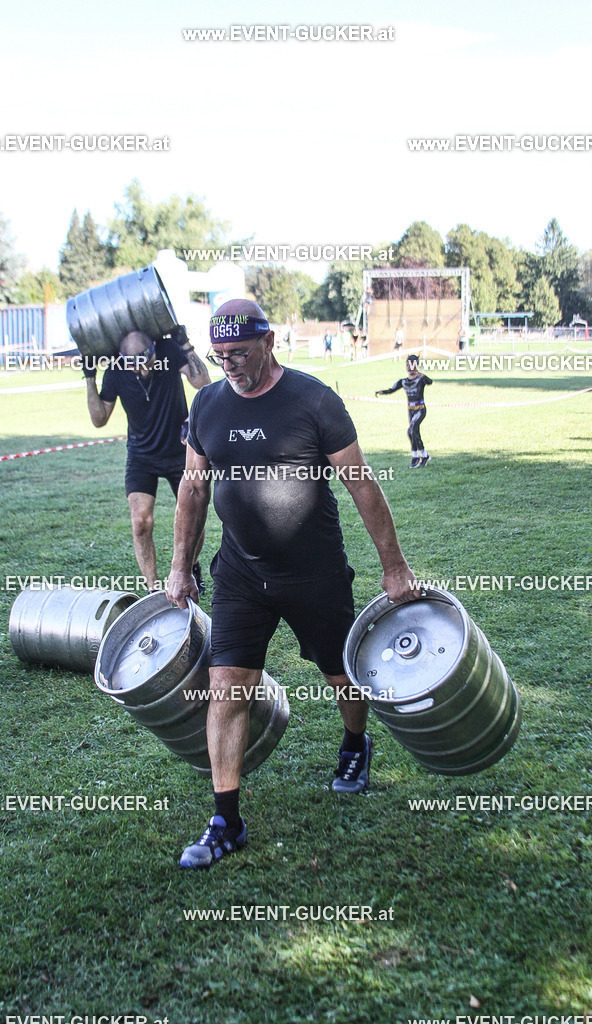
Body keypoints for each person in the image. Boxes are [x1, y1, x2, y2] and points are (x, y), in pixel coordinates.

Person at [166, 299, 420, 869]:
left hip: (315, 573)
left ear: (269, 341)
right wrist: (180, 564)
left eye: (239, 352)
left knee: (343, 675)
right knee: (227, 684)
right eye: (220, 355)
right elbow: (193, 489)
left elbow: (361, 486)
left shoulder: (313, 400)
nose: (229, 364)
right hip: (239, 573)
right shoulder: (206, 404)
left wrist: (394, 565)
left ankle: (354, 744)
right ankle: (226, 820)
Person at [83, 326, 211, 591]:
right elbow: (99, 419)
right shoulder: (116, 371)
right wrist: (89, 378)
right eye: (135, 367)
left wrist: (185, 345)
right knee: (141, 522)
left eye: (146, 364)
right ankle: (153, 590)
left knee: (193, 519)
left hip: (180, 452)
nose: (141, 371)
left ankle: (191, 567)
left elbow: (203, 383)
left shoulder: (168, 351)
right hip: (141, 455)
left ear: (153, 350)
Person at [375, 354, 432, 468]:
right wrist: (382, 392)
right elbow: (392, 389)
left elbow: (430, 382)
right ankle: (423, 455)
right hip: (410, 410)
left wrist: (422, 375)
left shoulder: (420, 379)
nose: (410, 367)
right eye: (407, 364)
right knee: (414, 432)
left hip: (420, 409)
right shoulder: (403, 381)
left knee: (411, 431)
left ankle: (416, 457)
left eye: (412, 365)